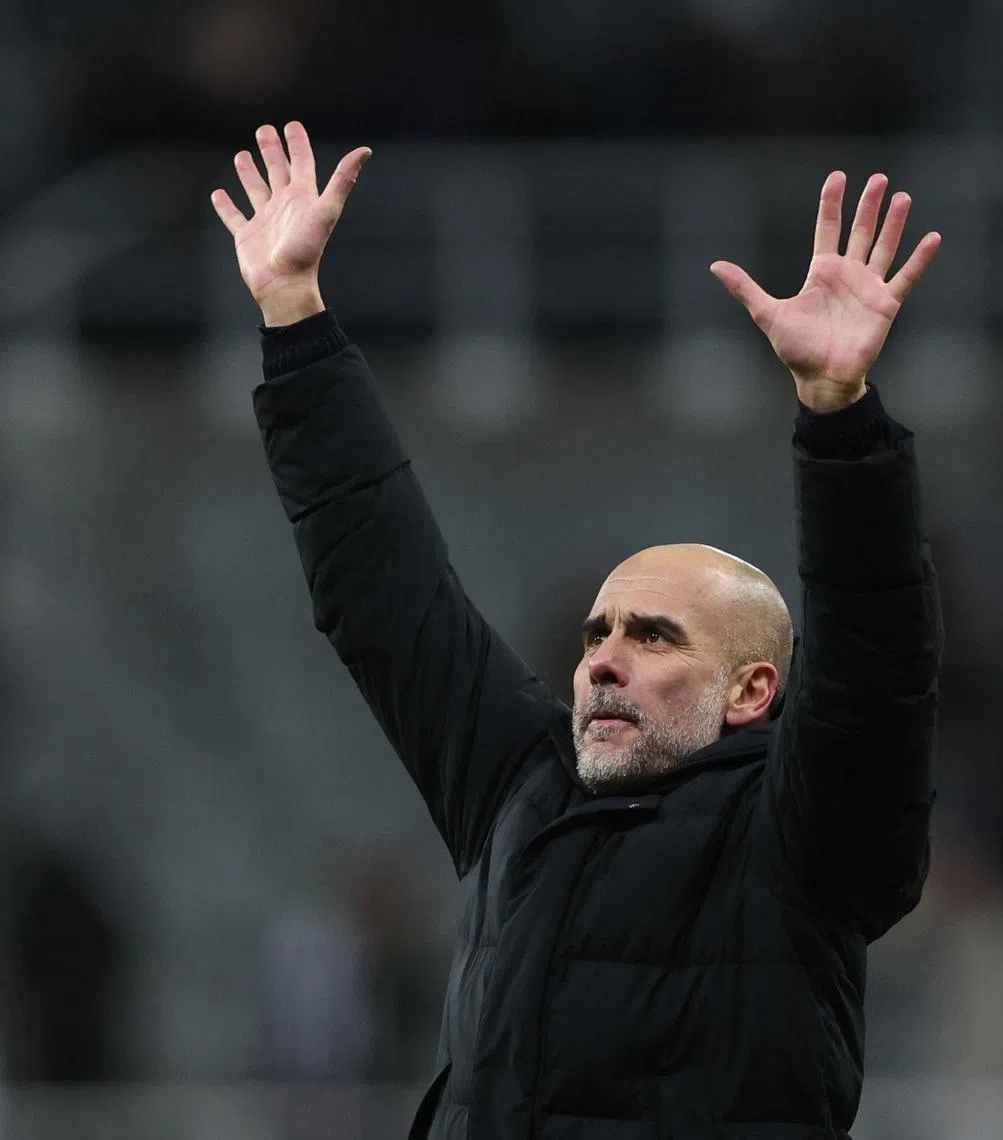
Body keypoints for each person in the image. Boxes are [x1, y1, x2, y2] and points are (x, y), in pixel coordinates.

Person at [212, 121, 942, 1140]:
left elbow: (877, 670)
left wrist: (839, 416)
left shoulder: (803, 833)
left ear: (751, 691)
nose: (602, 656)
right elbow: (383, 591)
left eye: (653, 636)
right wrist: (294, 319)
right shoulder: (523, 787)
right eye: (599, 631)